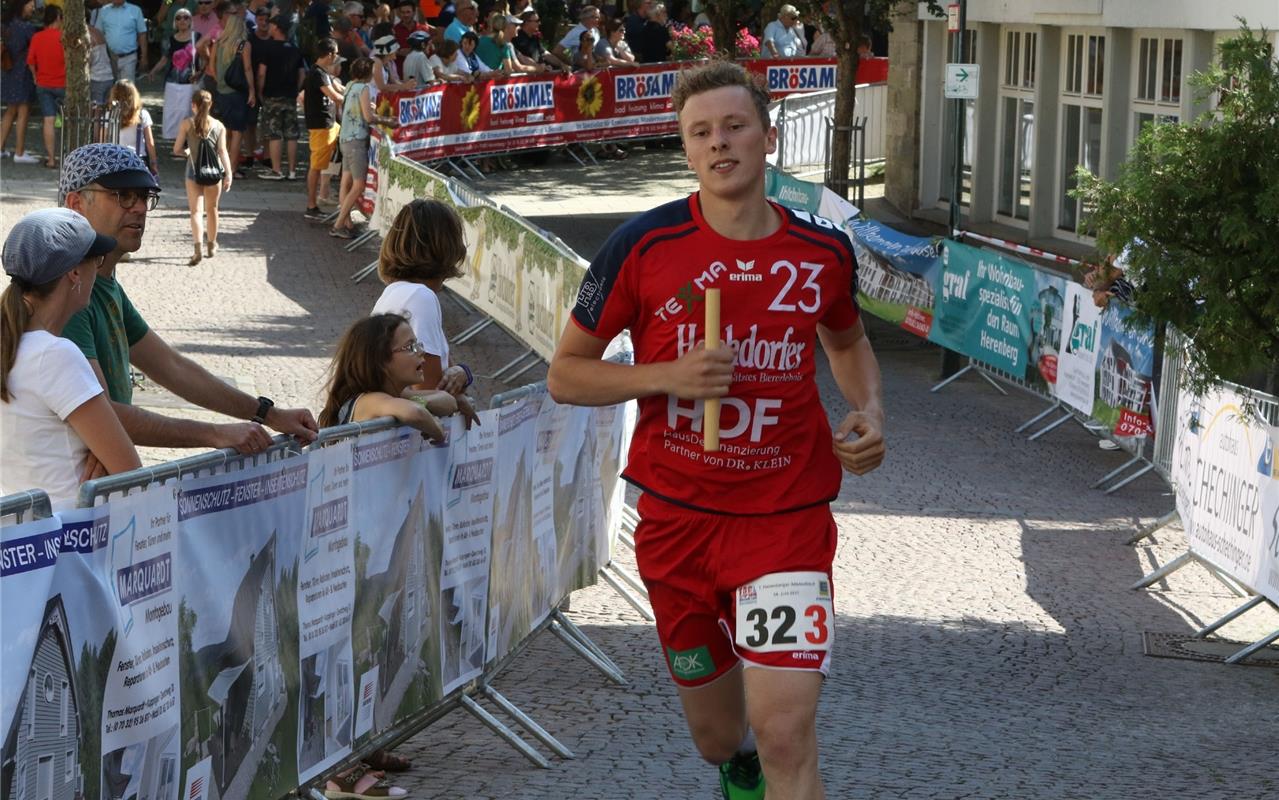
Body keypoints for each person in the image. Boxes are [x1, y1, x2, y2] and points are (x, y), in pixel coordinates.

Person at [546, 60, 885, 800]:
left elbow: (846, 340)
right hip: (676, 520)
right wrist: (666, 377)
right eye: (700, 133)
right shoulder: (641, 247)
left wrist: (868, 411)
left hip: (784, 521)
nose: (718, 143)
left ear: (768, 138)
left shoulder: (822, 250)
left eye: (734, 126)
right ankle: (738, 772)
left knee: (785, 730)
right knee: (717, 738)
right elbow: (565, 374)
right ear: (686, 149)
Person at [59, 143, 319, 454]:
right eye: (123, 196)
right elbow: (105, 414)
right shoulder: (67, 290)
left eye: (144, 197)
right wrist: (216, 434)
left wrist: (269, 414)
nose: (139, 208)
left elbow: (172, 367)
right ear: (76, 203)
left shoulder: (101, 282)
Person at [0, 209, 141, 509]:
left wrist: (98, 450)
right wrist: (101, 454)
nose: (98, 269)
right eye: (96, 261)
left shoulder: (13, 345)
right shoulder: (56, 355)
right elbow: (130, 474)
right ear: (74, 273)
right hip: (66, 543)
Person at [371, 199, 479, 423]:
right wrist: (457, 396)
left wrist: (462, 373)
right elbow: (432, 390)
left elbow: (443, 368)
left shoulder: (396, 292)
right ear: (447, 247)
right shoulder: (422, 298)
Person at [319, 312, 454, 445]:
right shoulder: (369, 400)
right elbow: (415, 412)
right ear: (380, 361)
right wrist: (437, 431)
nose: (421, 351)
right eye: (409, 347)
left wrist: (417, 402)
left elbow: (448, 401)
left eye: (417, 344)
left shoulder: (397, 394)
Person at [173, 91, 233, 264]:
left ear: (194, 105)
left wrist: (187, 152)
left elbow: (176, 149)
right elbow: (222, 151)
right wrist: (228, 173)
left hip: (193, 171)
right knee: (212, 209)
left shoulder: (187, 124)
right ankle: (212, 245)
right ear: (210, 105)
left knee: (196, 212)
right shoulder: (219, 126)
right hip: (214, 172)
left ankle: (197, 248)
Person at [202, 11, 256, 177]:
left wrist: (220, 81)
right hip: (238, 93)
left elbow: (210, 68)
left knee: (224, 131)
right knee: (238, 131)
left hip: (221, 92)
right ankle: (231, 168)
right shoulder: (243, 45)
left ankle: (220, 165)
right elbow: (247, 69)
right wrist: (252, 90)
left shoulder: (218, 43)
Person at [332, 57, 379, 239]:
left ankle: (346, 222)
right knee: (359, 185)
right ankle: (338, 224)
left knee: (346, 182)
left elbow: (355, 107)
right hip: (356, 140)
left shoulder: (351, 85)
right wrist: (382, 118)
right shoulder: (364, 88)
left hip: (345, 138)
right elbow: (368, 118)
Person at [255, 14, 305, 180]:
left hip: (272, 94)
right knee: (292, 134)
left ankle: (276, 170)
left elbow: (261, 73)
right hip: (290, 95)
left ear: (276, 27)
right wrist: (295, 89)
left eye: (271, 25)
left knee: (274, 133)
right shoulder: (295, 49)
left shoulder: (267, 48)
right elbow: (302, 73)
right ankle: (292, 171)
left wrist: (260, 91)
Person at [303, 39, 346, 219]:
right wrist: (357, 99)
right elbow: (335, 96)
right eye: (335, 54)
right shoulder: (317, 74)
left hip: (329, 124)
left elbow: (340, 89)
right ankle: (312, 205)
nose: (336, 57)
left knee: (325, 164)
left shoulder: (324, 73)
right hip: (320, 126)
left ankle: (323, 196)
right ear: (329, 54)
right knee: (316, 167)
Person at [147, 7, 201, 142]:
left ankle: (187, 140)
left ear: (190, 20)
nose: (182, 20)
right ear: (174, 22)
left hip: (190, 81)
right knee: (172, 111)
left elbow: (206, 58)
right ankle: (174, 139)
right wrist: (153, 71)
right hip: (172, 81)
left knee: (187, 111)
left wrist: (201, 73)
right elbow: (164, 59)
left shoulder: (197, 37)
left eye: (186, 17)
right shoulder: (170, 39)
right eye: (178, 18)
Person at [26, 4, 64, 169]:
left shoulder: (37, 37)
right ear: (58, 18)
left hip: (43, 84)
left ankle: (51, 159)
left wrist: (35, 76)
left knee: (48, 120)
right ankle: (68, 156)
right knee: (69, 120)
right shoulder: (64, 37)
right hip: (64, 84)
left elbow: (30, 61)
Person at [1, 0, 38, 163]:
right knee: (23, 111)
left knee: (10, 111)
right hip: (22, 72)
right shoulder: (26, 28)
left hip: (8, 70)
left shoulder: (6, 25)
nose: (33, 8)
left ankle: (1, 147)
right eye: (30, 4)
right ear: (22, 5)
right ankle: (20, 151)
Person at [109, 80, 161, 175]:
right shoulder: (142, 114)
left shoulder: (109, 115)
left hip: (115, 159)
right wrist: (153, 162)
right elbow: (150, 142)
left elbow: (102, 139)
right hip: (137, 159)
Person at [93, 0, 149, 81]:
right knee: (111, 89)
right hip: (109, 58)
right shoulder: (104, 11)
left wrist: (144, 57)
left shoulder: (135, 10)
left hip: (129, 57)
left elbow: (142, 34)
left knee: (127, 88)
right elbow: (98, 34)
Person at [391, 0, 428, 71]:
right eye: (403, 12)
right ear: (399, 13)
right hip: (401, 72)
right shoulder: (394, 30)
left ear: (414, 13)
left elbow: (427, 51)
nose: (405, 15)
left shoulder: (423, 29)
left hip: (420, 70)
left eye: (408, 12)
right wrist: (399, 52)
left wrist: (410, 52)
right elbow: (390, 51)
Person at [88, 21, 117, 108]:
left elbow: (88, 60)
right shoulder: (98, 31)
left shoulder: (86, 35)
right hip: (108, 76)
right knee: (106, 110)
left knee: (96, 112)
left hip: (97, 78)